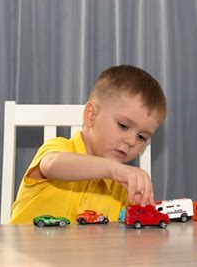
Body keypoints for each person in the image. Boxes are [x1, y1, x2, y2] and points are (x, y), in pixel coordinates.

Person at [10, 65, 167, 224]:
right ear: (91, 115)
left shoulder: (123, 190)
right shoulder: (60, 149)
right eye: (123, 126)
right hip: (22, 248)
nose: (132, 141)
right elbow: (51, 165)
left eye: (142, 137)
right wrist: (112, 170)